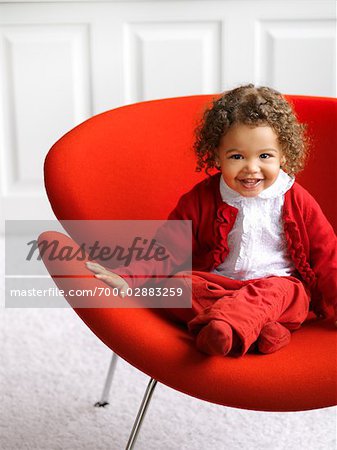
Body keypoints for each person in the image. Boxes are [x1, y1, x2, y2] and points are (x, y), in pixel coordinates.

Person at [86, 84, 337, 357]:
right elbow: (166, 248)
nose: (251, 167)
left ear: (283, 155)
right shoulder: (201, 198)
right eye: (237, 156)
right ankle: (259, 331)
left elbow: (327, 256)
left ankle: (223, 329)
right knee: (177, 287)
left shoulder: (296, 199)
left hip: (278, 288)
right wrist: (129, 276)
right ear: (217, 155)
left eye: (265, 156)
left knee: (281, 292)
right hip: (220, 286)